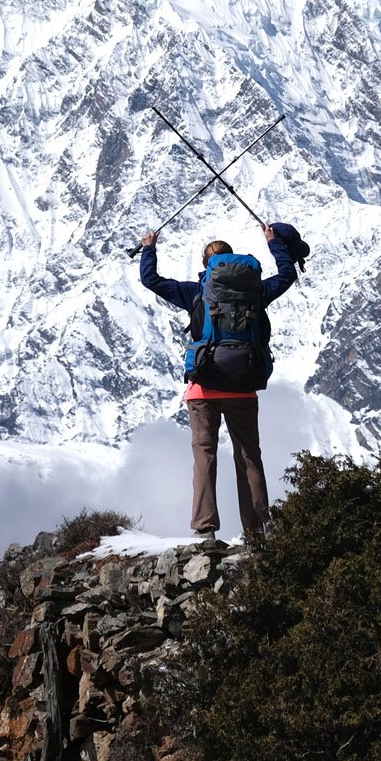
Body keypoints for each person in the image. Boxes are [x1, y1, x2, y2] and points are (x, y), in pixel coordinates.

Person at [138, 224, 297, 539]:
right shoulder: (255, 291)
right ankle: (259, 530)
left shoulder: (196, 291)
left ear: (205, 265)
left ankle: (205, 529)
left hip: (203, 388)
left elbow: (151, 280)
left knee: (204, 456)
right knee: (249, 457)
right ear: (233, 260)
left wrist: (149, 248)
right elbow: (287, 275)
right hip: (243, 388)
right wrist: (274, 243)